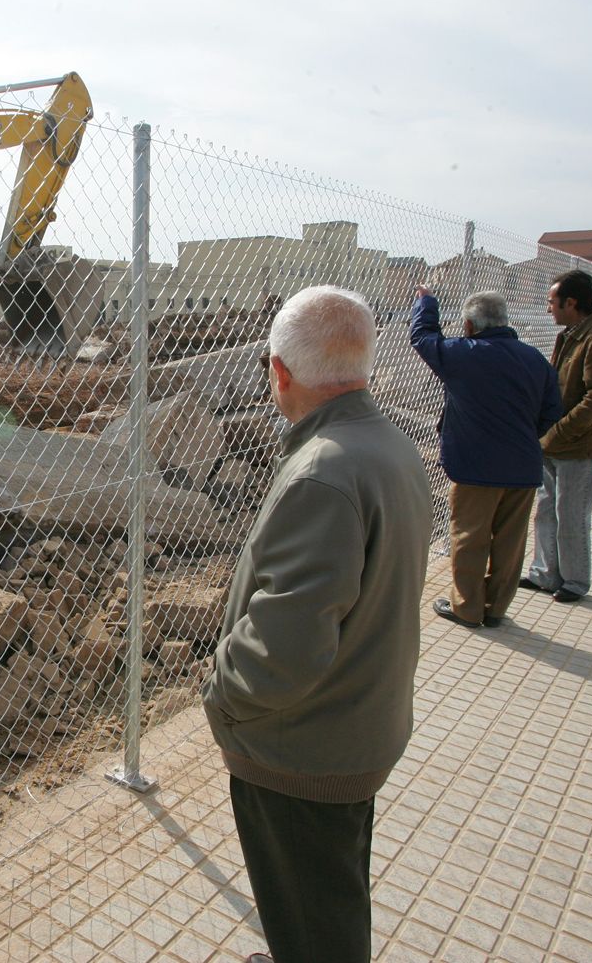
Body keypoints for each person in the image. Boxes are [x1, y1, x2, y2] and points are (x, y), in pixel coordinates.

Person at [202, 286, 431, 963]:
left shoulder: (322, 473)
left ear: (279, 371)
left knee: (312, 916)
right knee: (326, 892)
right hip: (358, 723)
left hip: (302, 749)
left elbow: (285, 649)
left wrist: (221, 696)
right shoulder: (388, 445)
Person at [410, 287, 561, 628]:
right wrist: (522, 435)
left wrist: (426, 302)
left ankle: (467, 607)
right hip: (523, 466)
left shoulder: (464, 354)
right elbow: (553, 409)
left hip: (475, 466)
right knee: (511, 539)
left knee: (469, 536)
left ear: (468, 325)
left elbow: (423, 337)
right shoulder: (534, 358)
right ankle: (495, 608)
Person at [522, 269, 592, 603]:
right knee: (547, 509)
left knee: (572, 514)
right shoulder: (572, 334)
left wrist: (560, 429)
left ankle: (575, 581)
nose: (548, 308)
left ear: (571, 302)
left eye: (552, 302)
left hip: (576, 445)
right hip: (554, 441)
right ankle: (544, 573)